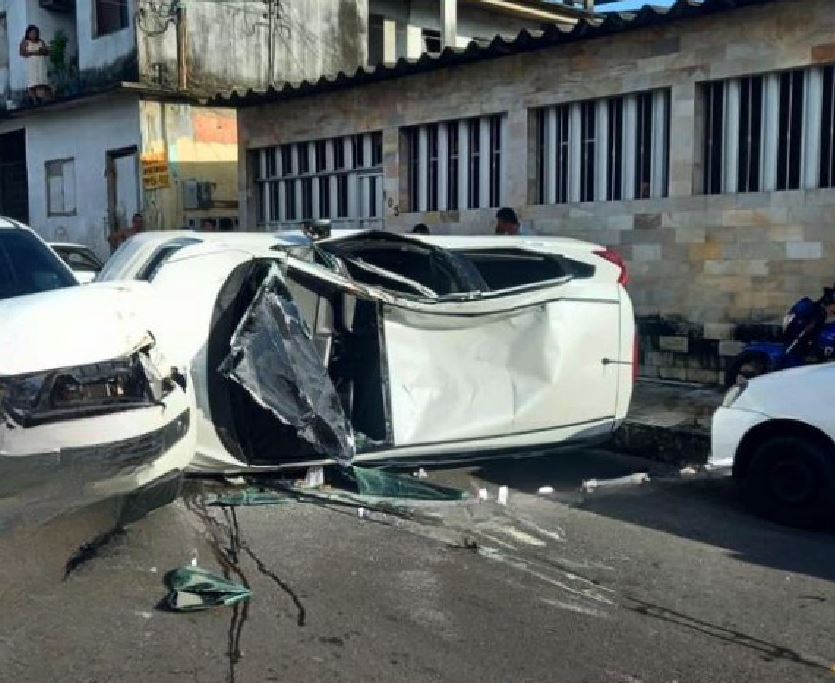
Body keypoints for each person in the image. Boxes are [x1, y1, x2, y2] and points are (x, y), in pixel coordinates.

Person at [20, 26, 51, 104]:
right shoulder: (25, 42)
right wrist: (35, 52)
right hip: (31, 65)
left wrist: (45, 50)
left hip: (41, 64)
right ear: (28, 33)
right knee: (32, 83)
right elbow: (22, 53)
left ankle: (44, 99)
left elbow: (46, 52)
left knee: (42, 82)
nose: (33, 35)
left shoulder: (40, 41)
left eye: (35, 33)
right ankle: (34, 101)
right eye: (32, 33)